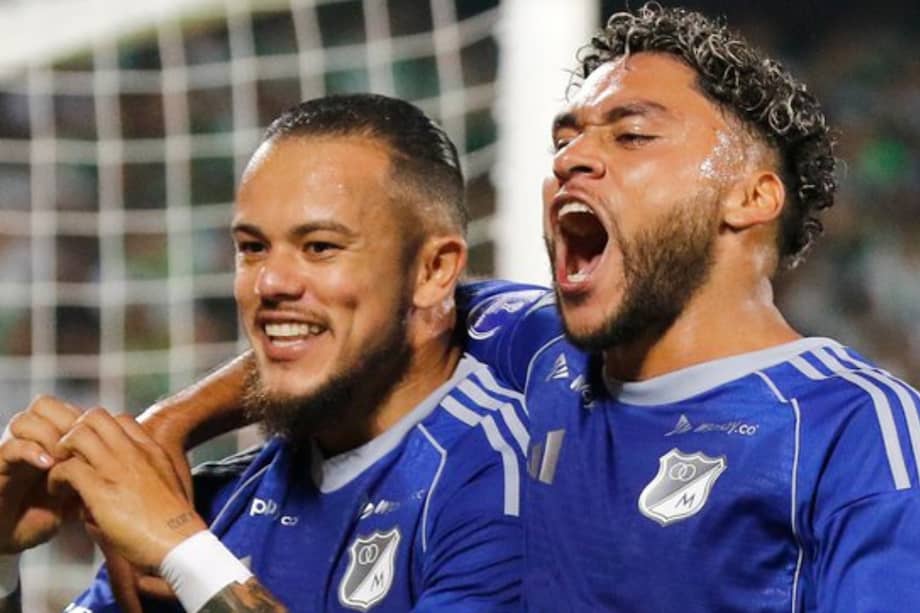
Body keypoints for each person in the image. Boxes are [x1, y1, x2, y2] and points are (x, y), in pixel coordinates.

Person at [113, 4, 920, 612]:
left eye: (631, 135)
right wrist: (171, 423)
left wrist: (188, 552)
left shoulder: (854, 430)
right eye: (566, 139)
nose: (573, 159)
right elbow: (359, 319)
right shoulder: (539, 343)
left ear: (751, 197)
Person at [0, 94, 526, 612]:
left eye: (320, 247)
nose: (270, 282)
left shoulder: (511, 480)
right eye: (252, 248)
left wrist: (183, 552)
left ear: (433, 270)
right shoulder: (219, 499)